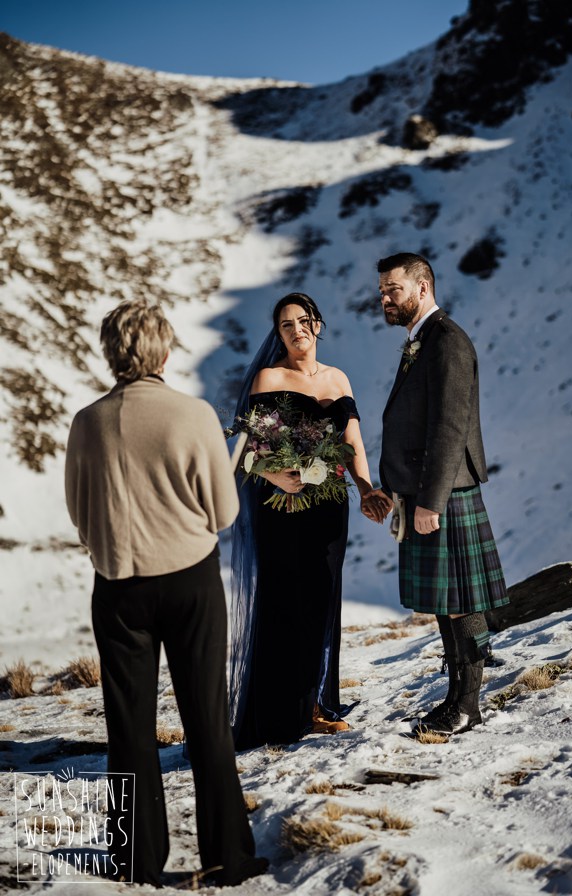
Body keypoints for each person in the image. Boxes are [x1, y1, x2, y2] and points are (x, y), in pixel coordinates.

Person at [64, 300, 267, 886]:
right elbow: (224, 512)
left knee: (127, 730)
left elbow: (80, 517)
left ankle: (133, 861)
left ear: (109, 351)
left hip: (118, 588)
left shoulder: (87, 421)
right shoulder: (193, 414)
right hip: (190, 582)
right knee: (206, 721)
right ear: (165, 352)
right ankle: (228, 855)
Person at [228, 293, 390, 750]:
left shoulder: (339, 378)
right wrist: (276, 474)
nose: (296, 330)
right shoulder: (268, 376)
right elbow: (251, 449)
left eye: (303, 321)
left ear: (318, 324)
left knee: (323, 595)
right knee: (283, 599)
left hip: (328, 503)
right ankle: (277, 715)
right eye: (286, 325)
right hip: (278, 505)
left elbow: (352, 439)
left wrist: (366, 488)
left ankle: (317, 705)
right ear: (277, 334)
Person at [366, 251, 509, 736]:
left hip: (444, 493)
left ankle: (468, 705)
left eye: (394, 290)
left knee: (460, 601)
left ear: (422, 287)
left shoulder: (447, 341)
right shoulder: (422, 340)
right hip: (429, 489)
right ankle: (456, 698)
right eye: (382, 289)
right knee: (448, 602)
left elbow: (450, 427)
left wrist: (430, 500)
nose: (385, 297)